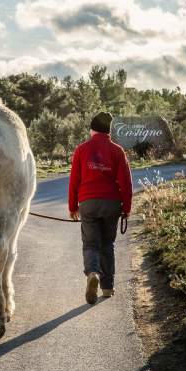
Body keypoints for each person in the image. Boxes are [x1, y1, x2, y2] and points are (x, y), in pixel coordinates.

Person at [68, 112, 132, 305]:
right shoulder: (117, 150)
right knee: (107, 245)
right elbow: (126, 183)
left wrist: (73, 206)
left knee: (90, 244)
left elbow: (74, 181)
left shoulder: (81, 150)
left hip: (88, 203)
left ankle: (93, 272)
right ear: (108, 130)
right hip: (111, 203)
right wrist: (126, 207)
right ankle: (107, 287)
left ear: (92, 129)